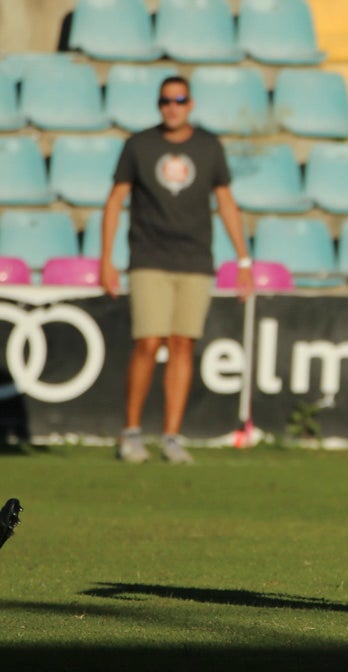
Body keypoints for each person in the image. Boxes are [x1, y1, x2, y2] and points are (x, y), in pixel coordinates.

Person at [100, 75, 253, 464]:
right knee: (148, 342)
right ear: (159, 105)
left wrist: (244, 261)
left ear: (190, 104)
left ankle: (171, 436)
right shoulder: (139, 145)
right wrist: (105, 259)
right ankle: (131, 432)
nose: (172, 107)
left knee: (183, 344)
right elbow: (115, 200)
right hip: (149, 256)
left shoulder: (208, 146)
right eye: (165, 101)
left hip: (195, 259)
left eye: (179, 100)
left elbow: (226, 202)